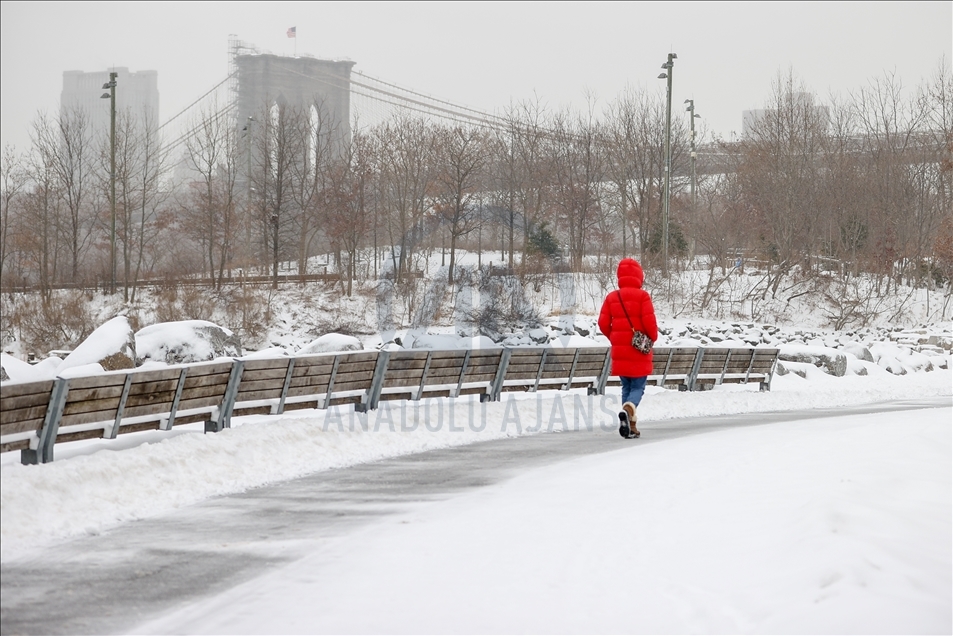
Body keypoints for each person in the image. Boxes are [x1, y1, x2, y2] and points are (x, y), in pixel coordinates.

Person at [598, 257, 659, 439]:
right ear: (639, 276)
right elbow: (649, 322)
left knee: (626, 386)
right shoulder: (643, 296)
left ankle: (631, 426)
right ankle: (629, 408)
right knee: (638, 387)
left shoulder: (612, 297)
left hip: (620, 350)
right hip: (639, 349)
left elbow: (602, 323)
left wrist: (615, 338)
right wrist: (652, 338)